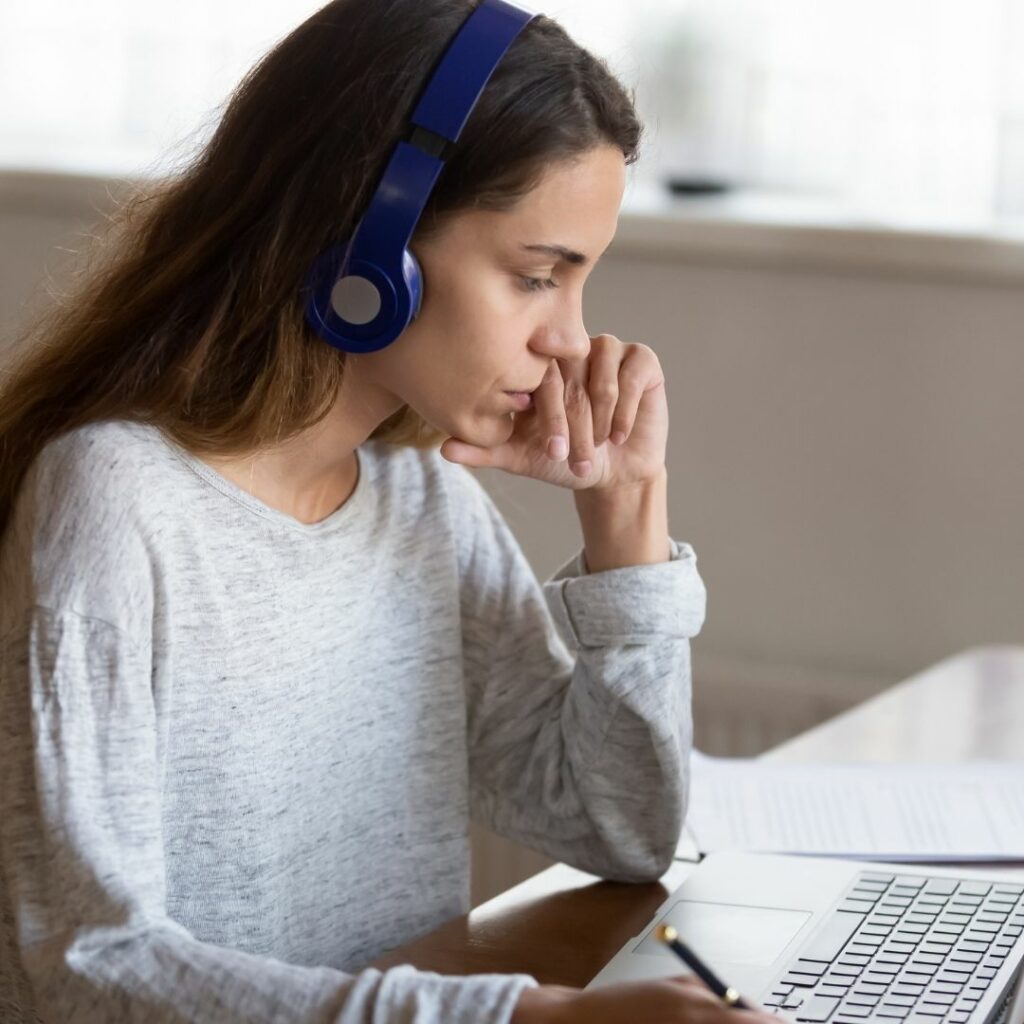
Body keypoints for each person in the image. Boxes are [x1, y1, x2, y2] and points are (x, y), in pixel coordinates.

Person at [0, 1, 769, 1021]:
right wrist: (522, 1017)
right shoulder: (114, 503)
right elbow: (86, 969)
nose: (571, 342)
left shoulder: (420, 500)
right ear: (372, 251)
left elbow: (616, 826)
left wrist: (625, 511)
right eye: (536, 276)